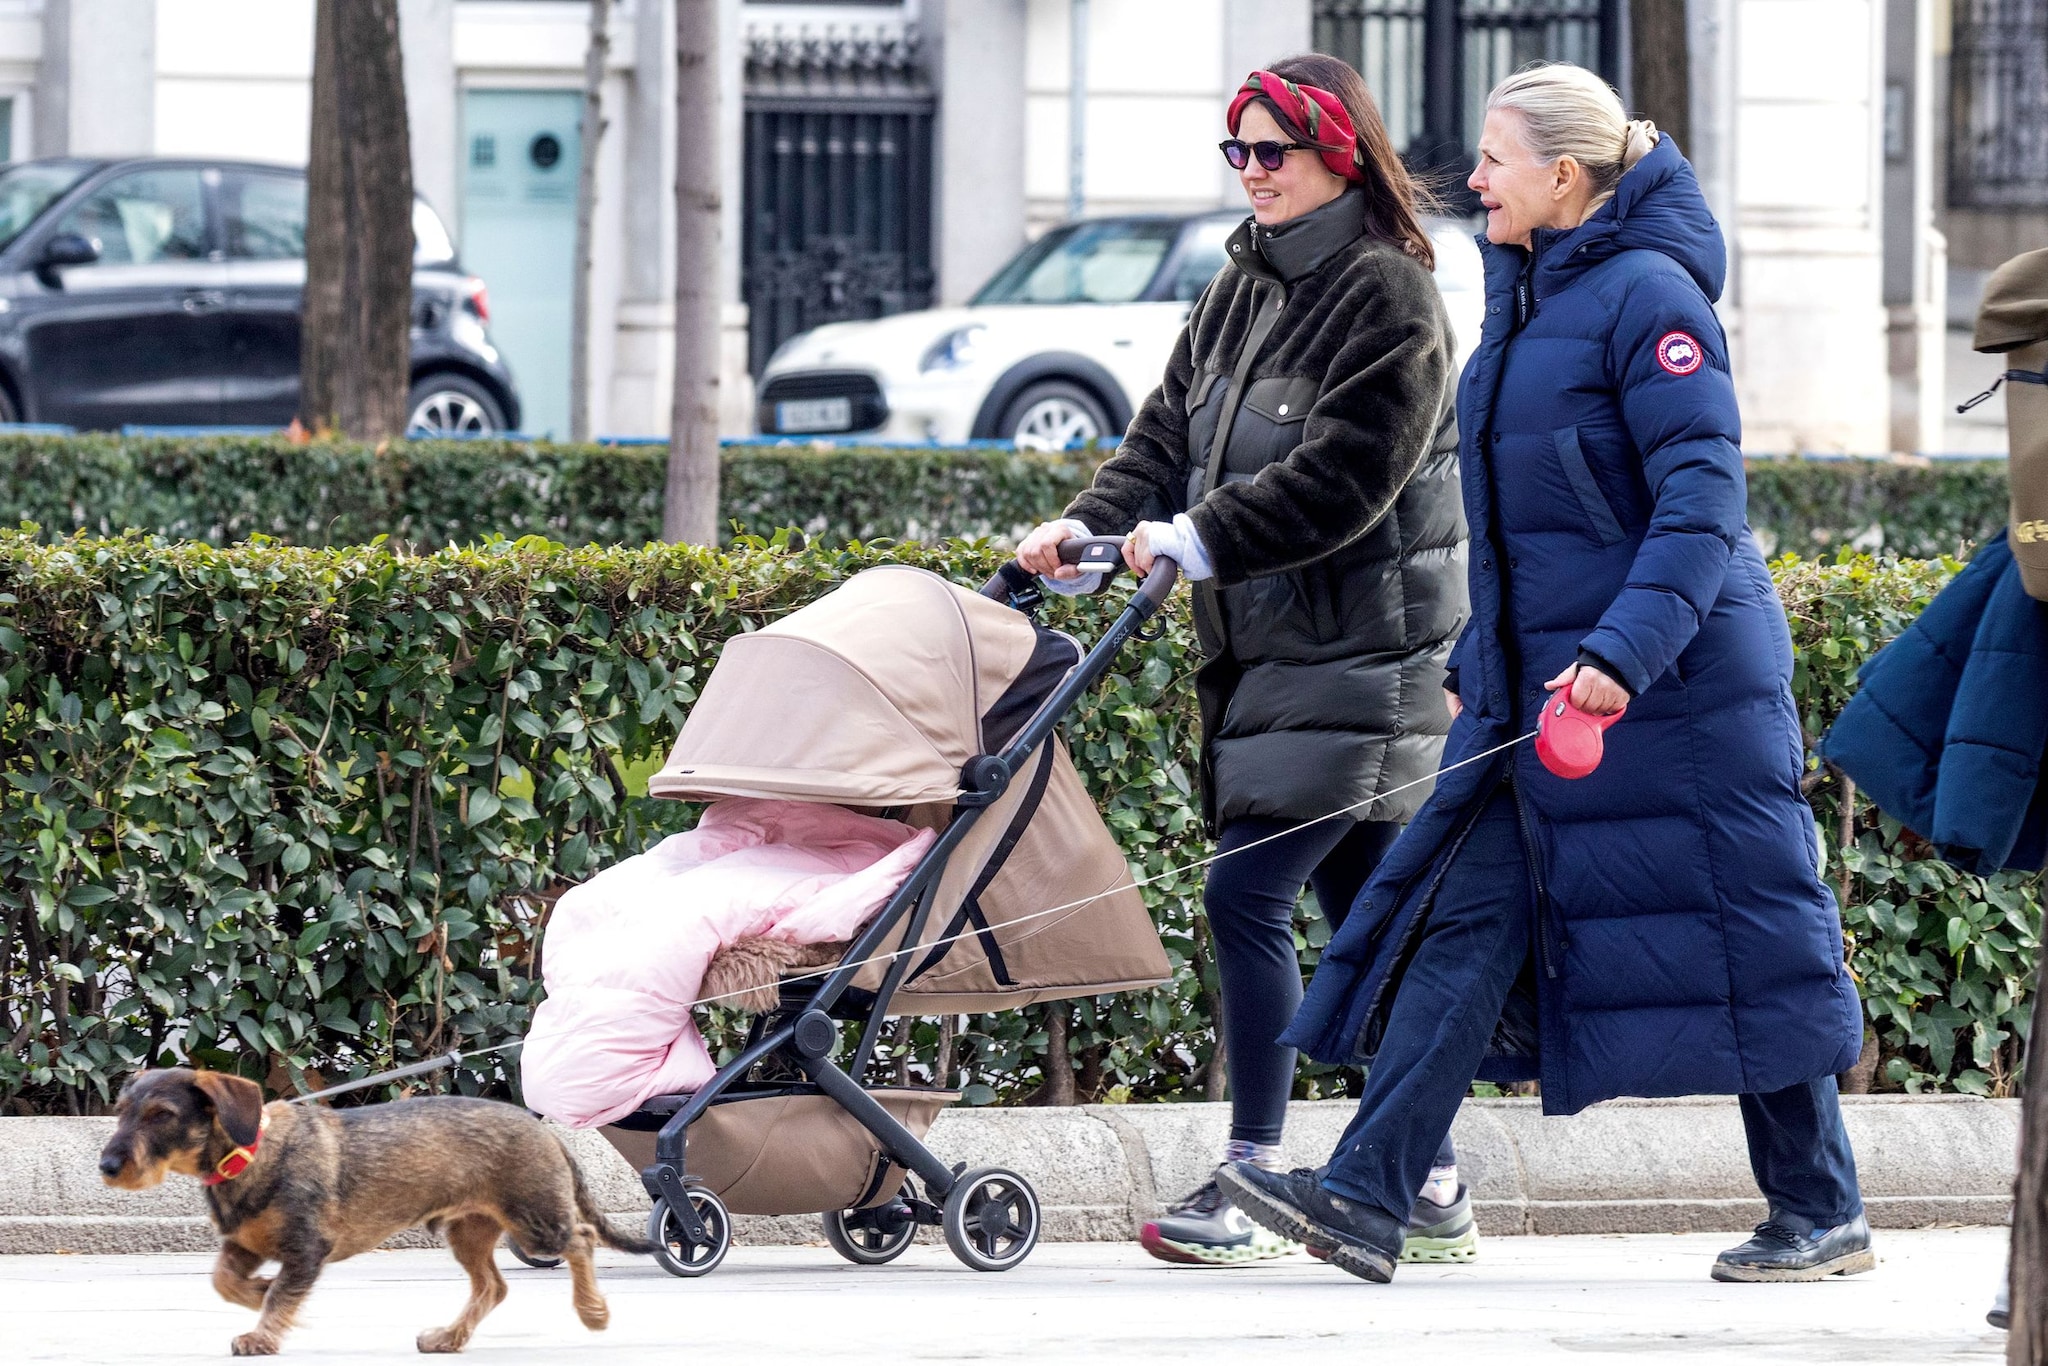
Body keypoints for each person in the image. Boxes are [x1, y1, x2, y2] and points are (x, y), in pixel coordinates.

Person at [1217, 61, 1873, 1285]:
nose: (1470, 180)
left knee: (1742, 934)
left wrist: (1618, 660)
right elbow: (1515, 518)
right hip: (1544, 696)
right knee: (1468, 920)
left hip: (1674, 698)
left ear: (1562, 177)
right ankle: (1364, 1195)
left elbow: (1699, 505)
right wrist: (1482, 655)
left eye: (1492, 160)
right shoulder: (1528, 295)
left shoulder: (1649, 298)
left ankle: (1819, 1205)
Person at [1016, 54, 1475, 1268]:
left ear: (1339, 154)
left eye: (1272, 151)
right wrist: (1091, 526)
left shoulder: (1388, 295)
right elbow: (1162, 434)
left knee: (1247, 893)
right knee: (1356, 916)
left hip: (1363, 647)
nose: (1253, 173)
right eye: (1238, 154)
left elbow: (1347, 476)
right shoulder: (1237, 286)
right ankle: (1426, 1175)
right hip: (1266, 649)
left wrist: (1199, 537)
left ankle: (1255, 1172)